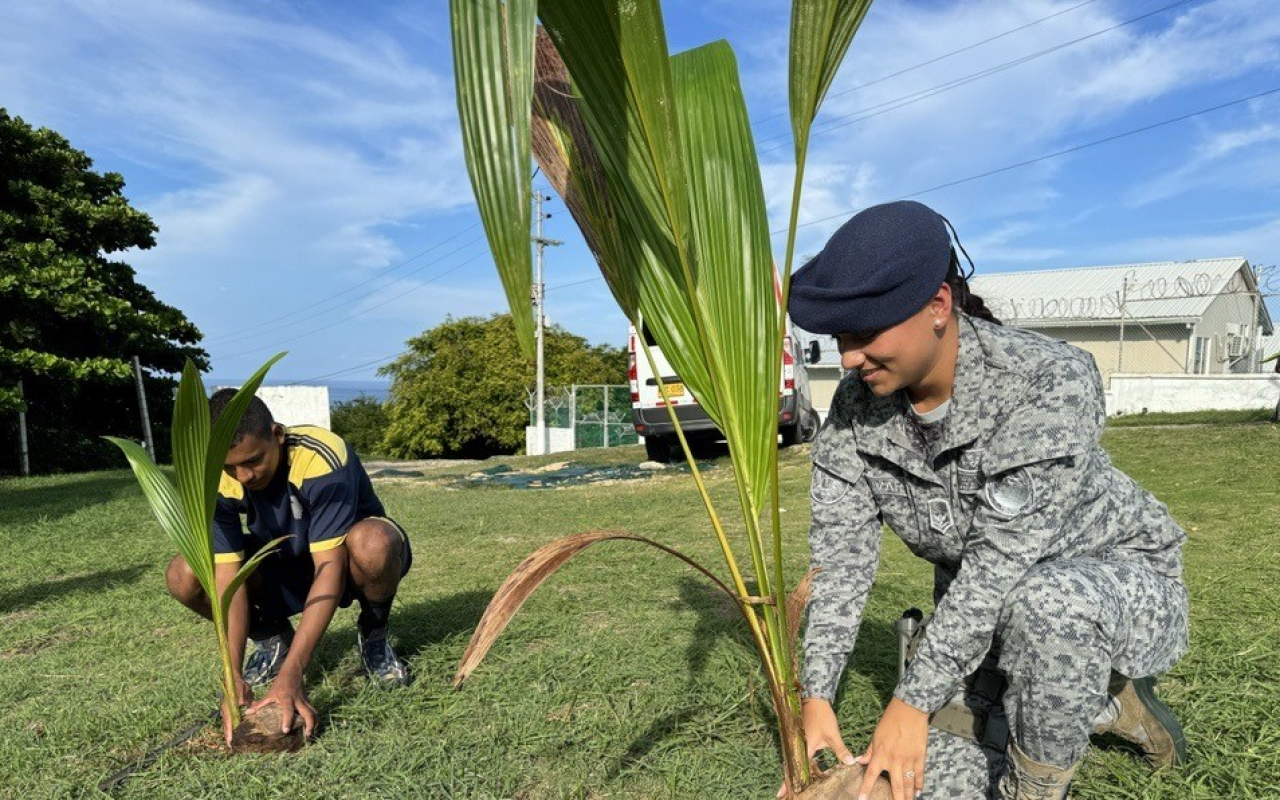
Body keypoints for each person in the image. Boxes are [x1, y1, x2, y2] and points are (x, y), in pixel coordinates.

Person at [787, 201, 1189, 800]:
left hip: (1112, 585)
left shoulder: (1047, 381)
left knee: (1046, 606)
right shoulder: (853, 409)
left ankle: (1056, 757)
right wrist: (816, 695)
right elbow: (842, 561)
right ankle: (1087, 702)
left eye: (866, 335)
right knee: (885, 786)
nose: (848, 357)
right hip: (984, 624)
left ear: (938, 307)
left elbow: (999, 567)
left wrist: (911, 700)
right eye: (842, 338)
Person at [166, 390, 412, 744]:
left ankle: (374, 634)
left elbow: (329, 566)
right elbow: (227, 578)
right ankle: (273, 640)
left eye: (252, 460)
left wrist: (293, 676)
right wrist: (231, 672)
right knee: (184, 573)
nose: (244, 476)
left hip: (347, 561)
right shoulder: (217, 478)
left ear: (277, 435)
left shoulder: (320, 455)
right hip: (284, 564)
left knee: (373, 543)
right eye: (229, 466)